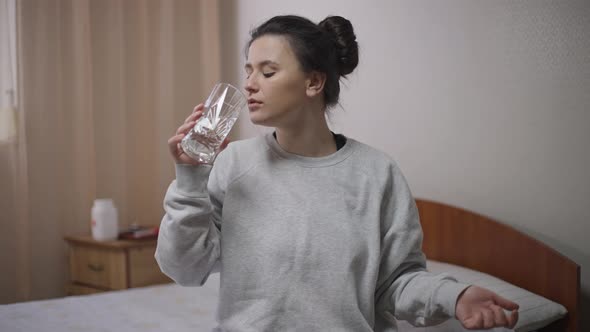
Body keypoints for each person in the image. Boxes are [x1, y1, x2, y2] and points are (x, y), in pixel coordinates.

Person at [156, 15, 519, 331]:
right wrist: (190, 179)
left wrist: (455, 296)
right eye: (248, 70)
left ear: (314, 83)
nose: (249, 83)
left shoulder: (376, 174)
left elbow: (395, 283)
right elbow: (185, 270)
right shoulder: (233, 163)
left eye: (267, 71)